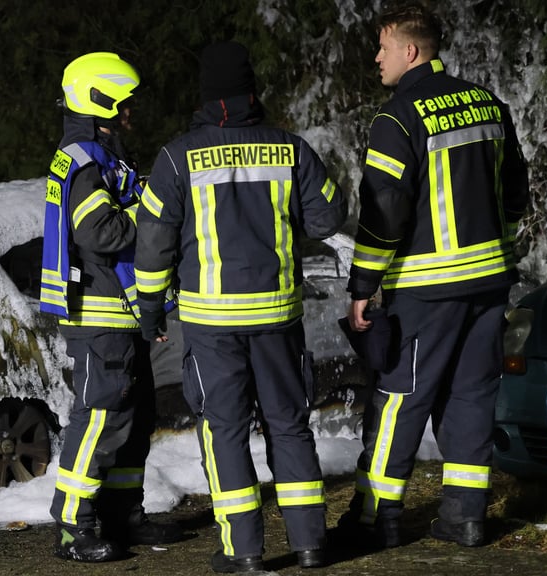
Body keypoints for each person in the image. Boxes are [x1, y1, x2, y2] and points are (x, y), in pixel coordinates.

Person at [135, 41, 347, 573]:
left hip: (211, 325)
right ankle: (310, 545)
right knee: (289, 425)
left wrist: (152, 309)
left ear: (206, 97)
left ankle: (244, 553)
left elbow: (154, 242)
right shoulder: (289, 148)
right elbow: (328, 217)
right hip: (278, 318)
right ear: (253, 91)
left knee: (224, 431)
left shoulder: (175, 158)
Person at [337, 1, 529, 549]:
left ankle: (376, 518)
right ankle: (465, 518)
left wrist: (363, 287)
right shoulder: (488, 103)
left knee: (401, 396)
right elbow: (516, 193)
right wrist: (500, 252)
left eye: (383, 47)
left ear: (410, 49)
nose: (377, 58)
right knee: (472, 395)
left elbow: (384, 212)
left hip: (426, 286)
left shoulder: (397, 117)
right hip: (490, 281)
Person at [39, 51, 183, 563]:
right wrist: (152, 219)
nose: (129, 115)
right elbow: (98, 231)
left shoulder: (102, 154)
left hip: (120, 312)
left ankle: (125, 512)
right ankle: (72, 525)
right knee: (98, 417)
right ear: (97, 100)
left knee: (132, 417)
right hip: (99, 314)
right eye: (122, 106)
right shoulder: (81, 159)